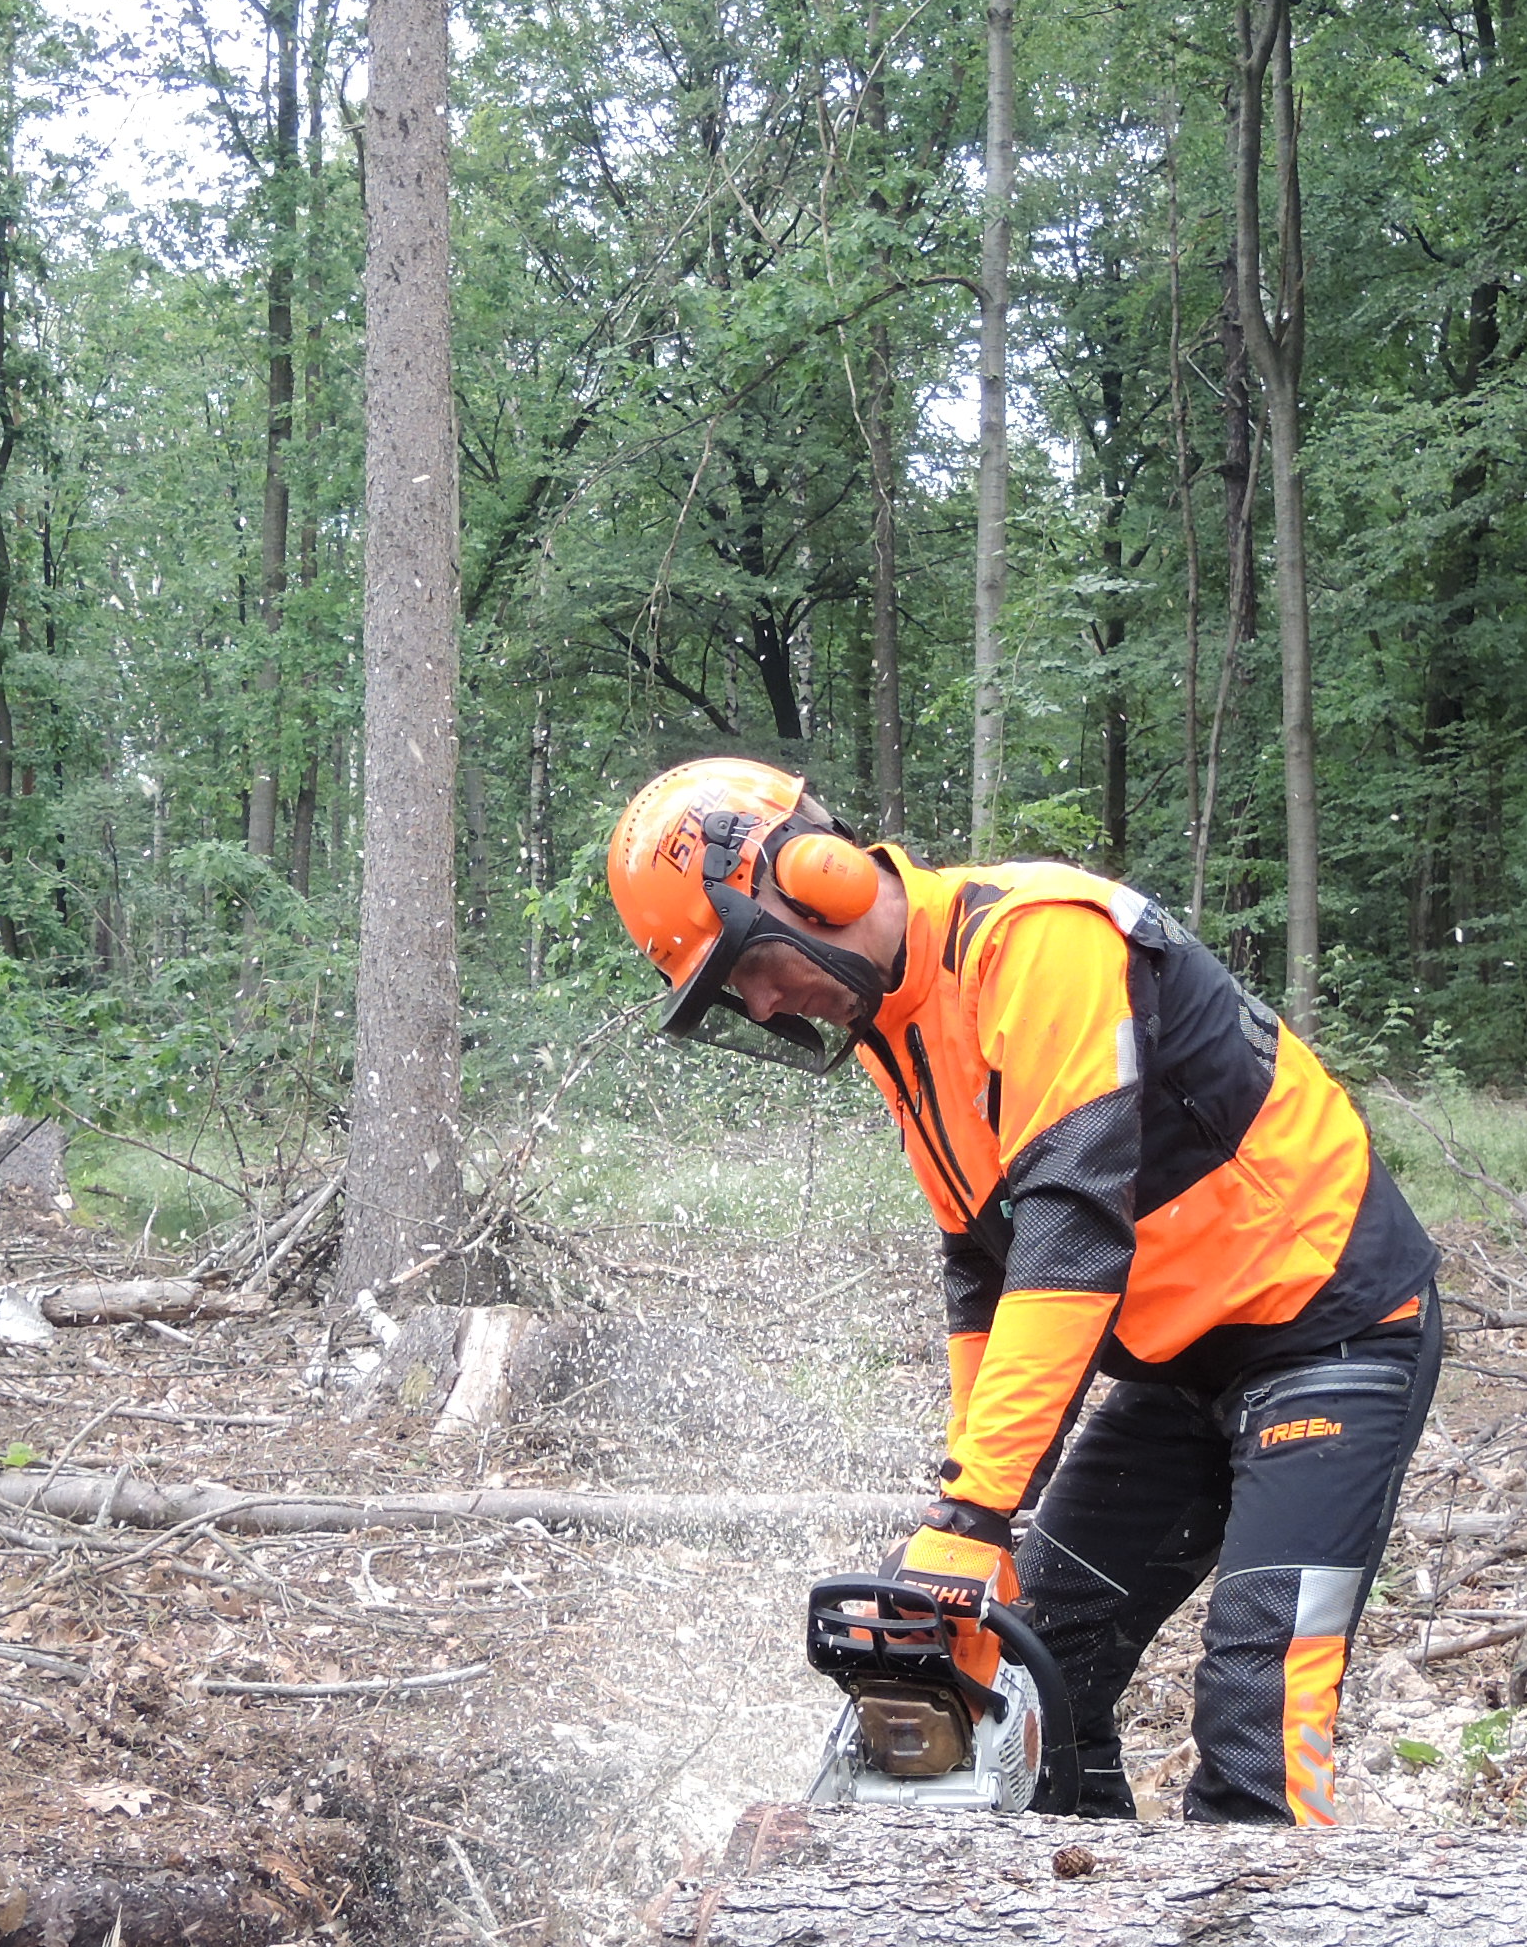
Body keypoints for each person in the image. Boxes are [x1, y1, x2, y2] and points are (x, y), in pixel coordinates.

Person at [605, 757, 1439, 1825]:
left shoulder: (1038, 941)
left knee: (1256, 1713)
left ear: (812, 875)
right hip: (1175, 1363)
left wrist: (979, 1507)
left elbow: (1071, 1234)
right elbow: (983, 1269)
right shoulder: (895, 1025)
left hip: (1331, 1328)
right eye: (734, 997)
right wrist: (974, 1514)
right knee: (1042, 1667)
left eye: (747, 964)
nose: (763, 1003)